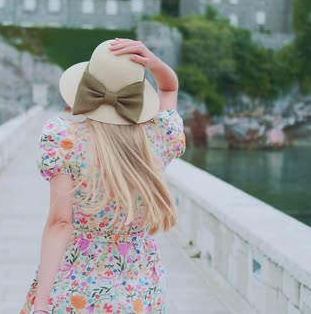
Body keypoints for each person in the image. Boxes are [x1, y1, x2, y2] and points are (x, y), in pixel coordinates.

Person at [19, 38, 186, 314]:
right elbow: (169, 88)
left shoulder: (65, 140)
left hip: (77, 286)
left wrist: (40, 305)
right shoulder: (160, 136)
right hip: (140, 288)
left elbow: (60, 223)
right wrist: (154, 64)